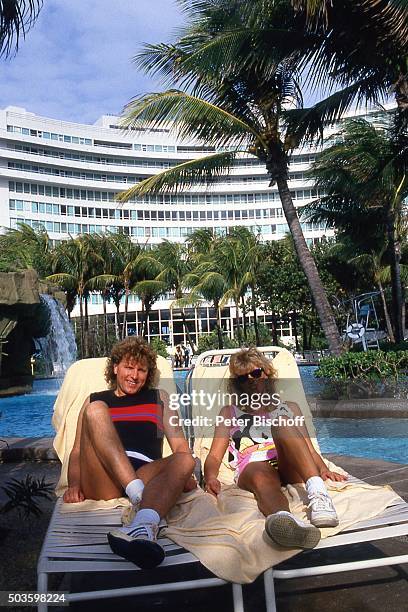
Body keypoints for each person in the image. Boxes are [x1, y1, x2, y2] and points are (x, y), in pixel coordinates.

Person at [63, 336, 196, 569]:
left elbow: (180, 447)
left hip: (146, 474)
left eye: (141, 370)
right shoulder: (95, 400)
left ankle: (143, 525)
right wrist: (74, 483)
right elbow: (76, 452)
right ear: (115, 367)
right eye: (128, 367)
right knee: (96, 411)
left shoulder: (159, 398)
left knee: (186, 459)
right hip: (104, 477)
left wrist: (184, 474)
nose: (134, 375)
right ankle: (140, 496)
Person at [204, 348, 347, 550]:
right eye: (243, 378)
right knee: (260, 475)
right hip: (254, 463)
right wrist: (210, 477)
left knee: (282, 422)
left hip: (289, 461)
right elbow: (213, 456)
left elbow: (310, 450)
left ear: (267, 374)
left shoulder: (289, 407)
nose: (251, 380)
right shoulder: (229, 412)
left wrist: (323, 469)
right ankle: (285, 523)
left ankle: (319, 496)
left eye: (255, 373)